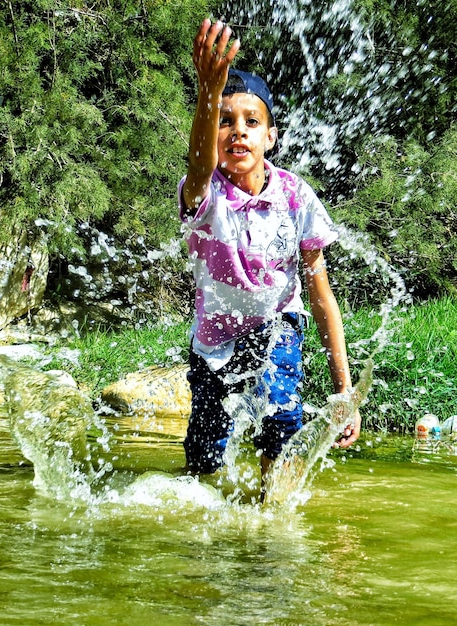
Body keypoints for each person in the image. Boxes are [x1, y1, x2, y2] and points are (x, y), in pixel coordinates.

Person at [178, 19, 361, 487]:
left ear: (270, 137)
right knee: (204, 450)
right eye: (224, 120)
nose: (237, 131)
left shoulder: (295, 196)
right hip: (212, 340)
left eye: (250, 122)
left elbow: (321, 292)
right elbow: (199, 163)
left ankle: (271, 526)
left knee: (280, 424)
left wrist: (344, 390)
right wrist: (207, 92)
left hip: (276, 325)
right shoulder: (204, 194)